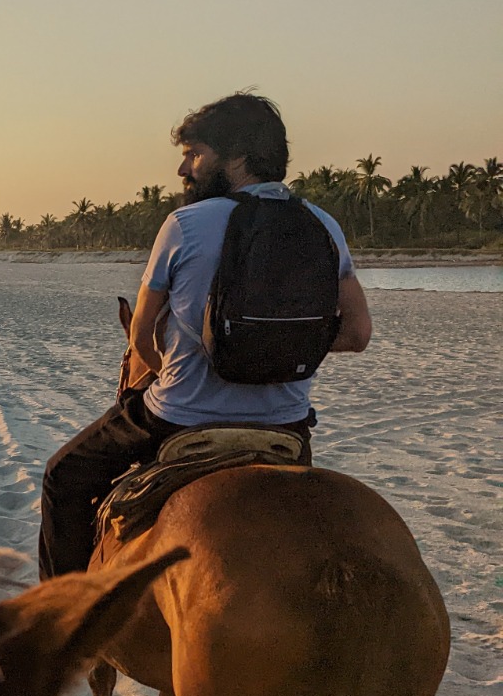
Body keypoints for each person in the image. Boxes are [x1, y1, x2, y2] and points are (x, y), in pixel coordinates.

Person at [38, 92, 373, 580]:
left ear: (236, 156)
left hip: (181, 417)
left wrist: (168, 370)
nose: (184, 169)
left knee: (63, 476)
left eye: (195, 154)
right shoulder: (323, 225)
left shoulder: (184, 224)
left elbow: (142, 333)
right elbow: (358, 333)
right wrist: (281, 351)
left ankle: (64, 625)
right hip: (286, 424)